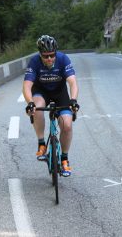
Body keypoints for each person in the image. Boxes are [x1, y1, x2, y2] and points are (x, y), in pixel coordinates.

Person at [23, 35, 79, 177]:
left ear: (56, 53)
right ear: (40, 54)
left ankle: (65, 159)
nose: (49, 59)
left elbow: (72, 82)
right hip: (41, 92)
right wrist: (30, 103)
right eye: (45, 56)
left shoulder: (63, 59)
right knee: (37, 108)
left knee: (67, 125)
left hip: (60, 93)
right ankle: (42, 143)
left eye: (52, 55)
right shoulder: (34, 62)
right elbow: (27, 85)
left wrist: (73, 100)